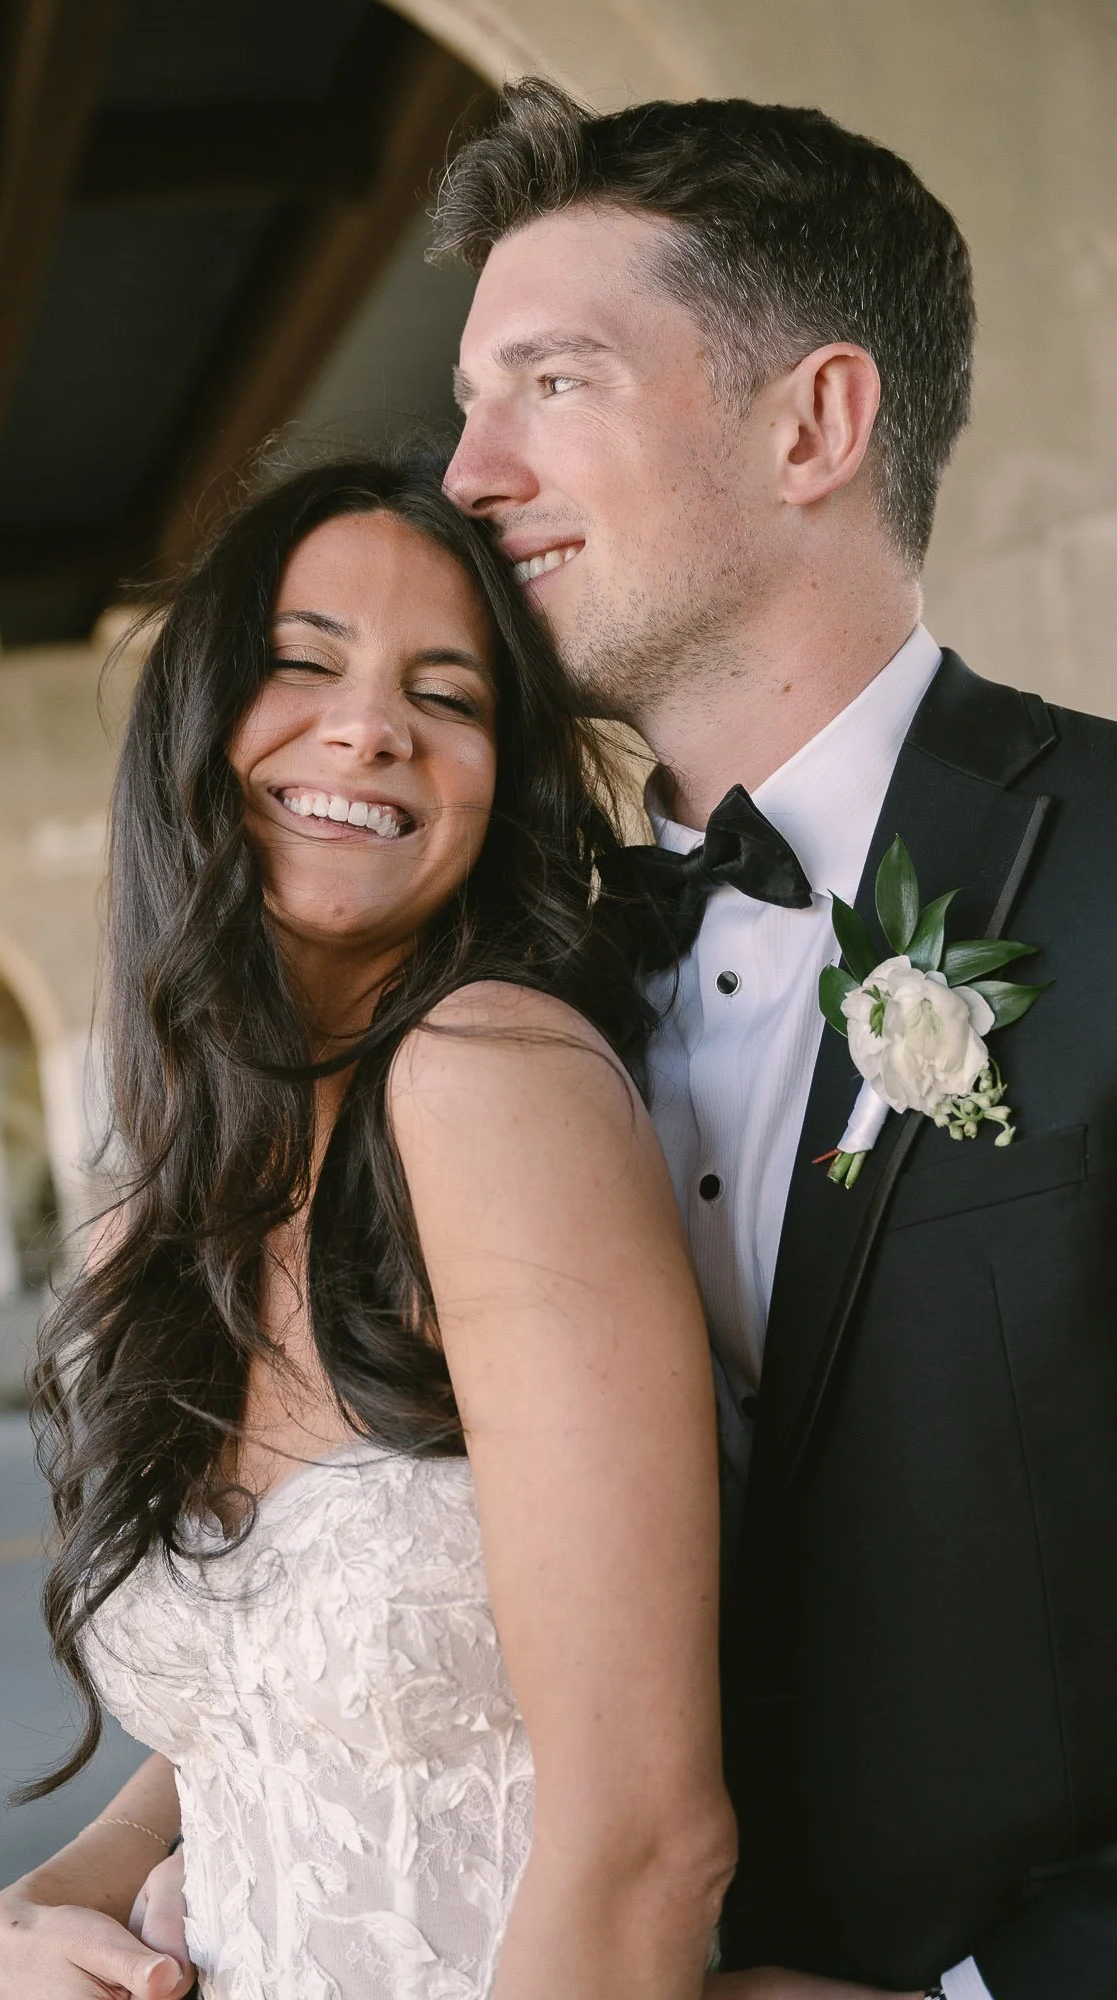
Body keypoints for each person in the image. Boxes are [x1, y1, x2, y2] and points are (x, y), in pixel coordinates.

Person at [432, 81, 1117, 2000]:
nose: (466, 476)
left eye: (549, 384)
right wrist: (95, 1869)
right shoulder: (486, 987)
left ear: (813, 421)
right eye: (466, 406)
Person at [0, 456, 734, 2000]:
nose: (369, 727)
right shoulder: (159, 1216)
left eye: (444, 696)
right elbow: (270, 1706)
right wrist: (49, 1901)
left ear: (495, 778)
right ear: (196, 723)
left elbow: (650, 1834)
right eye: (301, 662)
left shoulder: (489, 1084)